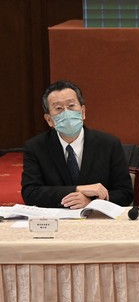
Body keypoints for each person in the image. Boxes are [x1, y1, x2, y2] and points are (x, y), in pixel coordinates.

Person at [21, 80, 133, 208]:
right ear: (49, 120)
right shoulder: (35, 147)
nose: (66, 113)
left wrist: (91, 202)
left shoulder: (109, 144)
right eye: (58, 108)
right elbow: (30, 193)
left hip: (97, 219)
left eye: (71, 106)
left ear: (83, 111)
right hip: (57, 221)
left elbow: (125, 193)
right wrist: (76, 190)